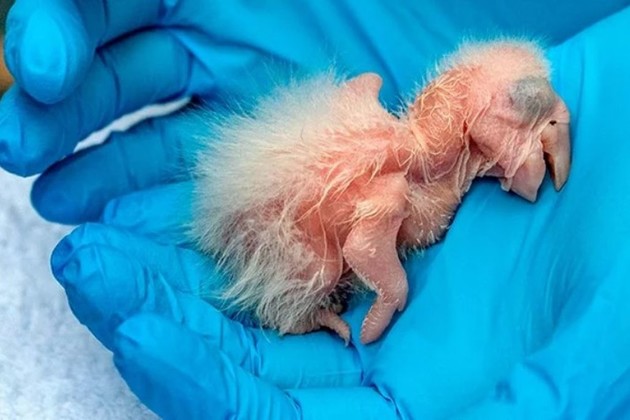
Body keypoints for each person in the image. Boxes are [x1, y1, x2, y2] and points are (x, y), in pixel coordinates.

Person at [1, 1, 630, 418]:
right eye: (526, 112)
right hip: (297, 245)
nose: (549, 120)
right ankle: (304, 311)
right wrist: (390, 294)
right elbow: (361, 245)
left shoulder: (384, 116)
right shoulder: (390, 190)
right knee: (324, 260)